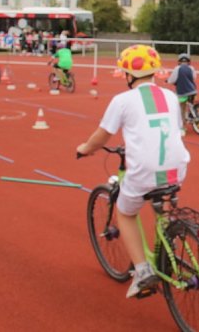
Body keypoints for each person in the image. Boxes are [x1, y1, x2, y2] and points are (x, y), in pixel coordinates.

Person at [76, 45, 188, 299]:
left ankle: (142, 271)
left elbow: (102, 135)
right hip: (177, 167)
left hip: (144, 171)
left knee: (125, 212)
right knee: (163, 199)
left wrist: (85, 149)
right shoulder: (170, 97)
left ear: (128, 75)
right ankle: (168, 239)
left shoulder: (123, 100)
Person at [167, 53, 198, 131]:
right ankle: (194, 117)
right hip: (192, 91)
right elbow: (194, 77)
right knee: (191, 104)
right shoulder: (191, 68)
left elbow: (172, 80)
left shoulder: (177, 68)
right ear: (188, 61)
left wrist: (168, 81)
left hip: (182, 92)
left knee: (182, 108)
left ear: (179, 61)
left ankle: (182, 127)